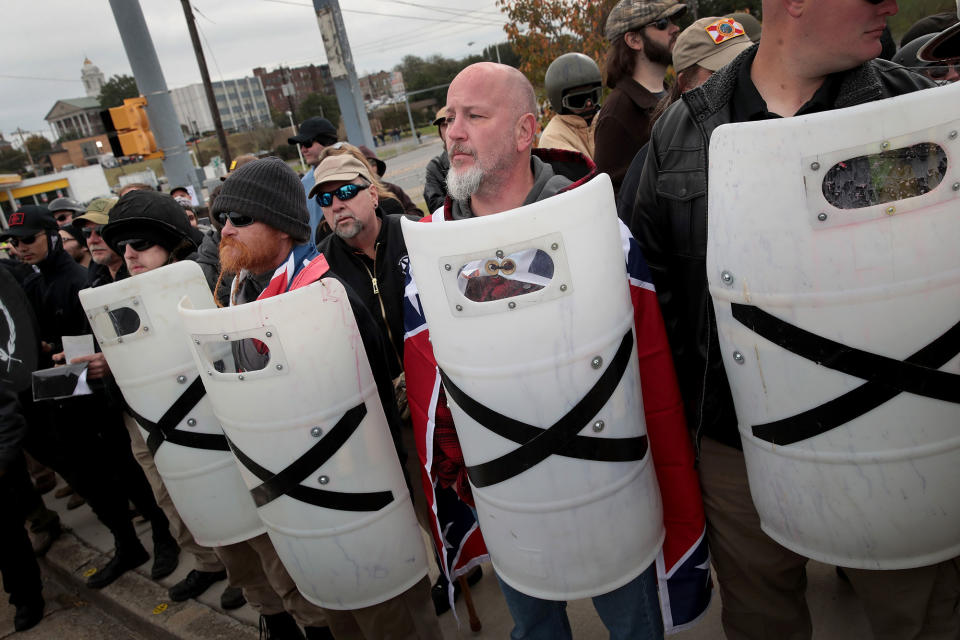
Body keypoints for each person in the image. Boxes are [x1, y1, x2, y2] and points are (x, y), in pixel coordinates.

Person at [629, 1, 957, 638]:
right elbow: (659, 301)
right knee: (761, 620)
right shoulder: (681, 133)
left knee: (916, 614)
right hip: (735, 445)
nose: (888, 4)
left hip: (898, 433)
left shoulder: (914, 110)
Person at [404, 61, 710, 640]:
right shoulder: (433, 243)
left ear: (524, 132)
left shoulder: (593, 223)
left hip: (606, 479)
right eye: (449, 118)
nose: (454, 133)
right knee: (535, 629)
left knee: (634, 625)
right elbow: (432, 379)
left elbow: (645, 357)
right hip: (509, 492)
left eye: (474, 116)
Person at [212, 157, 442, 640]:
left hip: (359, 500)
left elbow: (372, 408)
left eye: (239, 218)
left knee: (393, 619)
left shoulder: (324, 297)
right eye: (221, 219)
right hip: (302, 504)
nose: (225, 230)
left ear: (281, 228)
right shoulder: (243, 299)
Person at [1, 205, 180, 590]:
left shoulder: (77, 280)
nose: (19, 248)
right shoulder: (34, 281)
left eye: (27, 239)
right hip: (61, 398)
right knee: (92, 481)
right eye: (13, 242)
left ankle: (162, 537)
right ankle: (127, 543)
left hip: (95, 398)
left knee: (129, 475)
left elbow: (99, 346)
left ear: (50, 235)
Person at [618, 16, 752, 219]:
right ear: (686, 84)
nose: (738, 77)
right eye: (721, 72)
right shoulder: (655, 161)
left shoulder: (771, 134)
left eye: (747, 66)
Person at [593, 0, 686, 195]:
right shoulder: (618, 112)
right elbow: (616, 202)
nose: (675, 28)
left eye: (673, 21)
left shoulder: (673, 95)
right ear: (634, 40)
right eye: (662, 23)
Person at [540, 52, 603, 158]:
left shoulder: (606, 120)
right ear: (560, 103)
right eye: (578, 100)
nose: (588, 103)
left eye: (593, 96)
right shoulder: (553, 138)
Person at [288, 117, 339, 245]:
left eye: (307, 143)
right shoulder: (303, 184)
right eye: (301, 145)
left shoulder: (354, 169)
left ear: (326, 141)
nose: (303, 150)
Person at [423, 108, 451, 213]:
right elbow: (435, 206)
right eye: (444, 125)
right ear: (440, 131)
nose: (449, 129)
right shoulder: (436, 167)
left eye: (452, 121)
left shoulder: (480, 155)